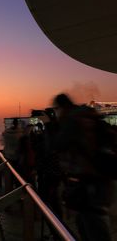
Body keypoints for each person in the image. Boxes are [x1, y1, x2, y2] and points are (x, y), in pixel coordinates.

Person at [53, 93, 115, 241]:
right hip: (102, 178)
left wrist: (54, 124)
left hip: (89, 181)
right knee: (94, 219)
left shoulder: (73, 121)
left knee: (93, 224)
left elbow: (57, 144)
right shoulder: (89, 116)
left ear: (61, 107)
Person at [2, 118, 24, 192]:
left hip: (7, 156)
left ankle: (8, 191)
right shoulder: (20, 135)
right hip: (16, 157)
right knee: (18, 176)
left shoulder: (6, 133)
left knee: (8, 176)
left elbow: (3, 142)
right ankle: (17, 192)